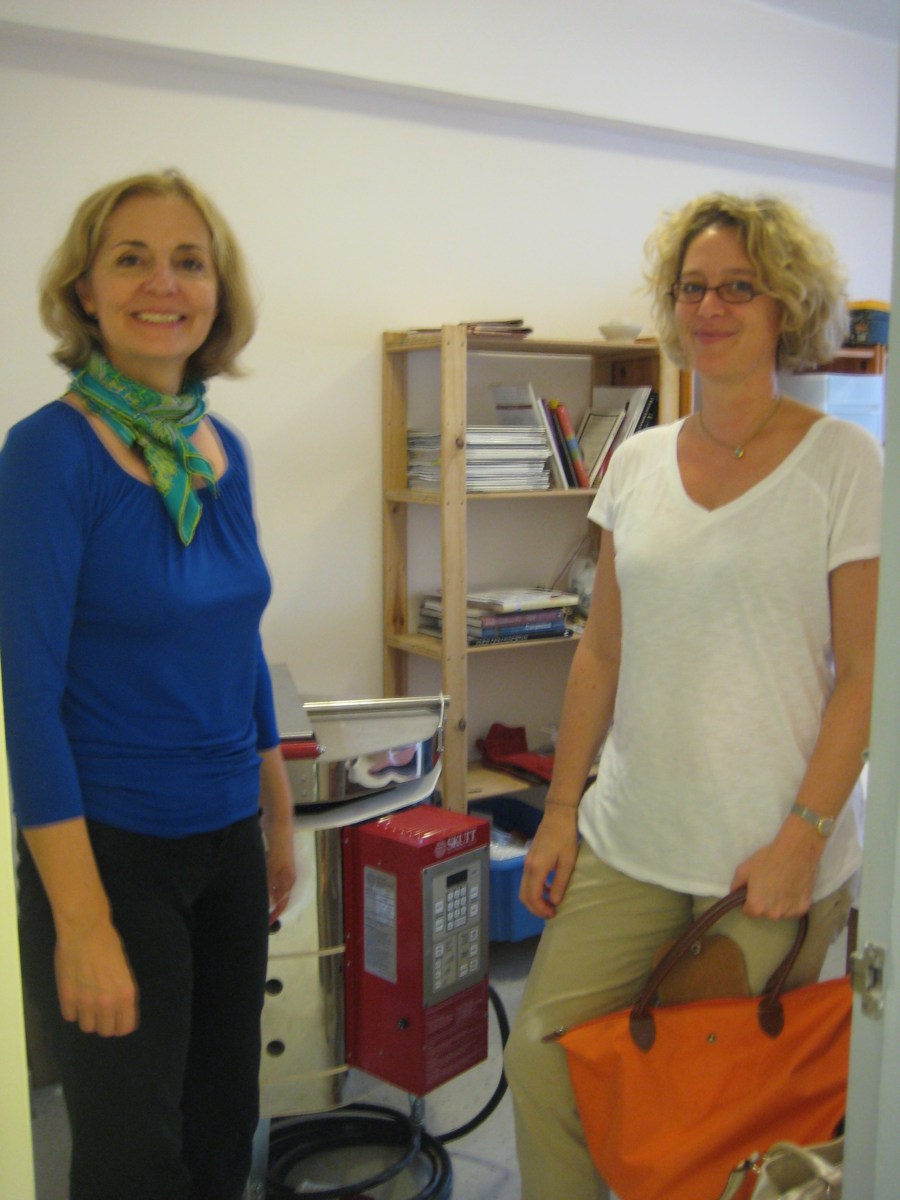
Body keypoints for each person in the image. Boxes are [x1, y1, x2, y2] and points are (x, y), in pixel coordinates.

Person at [504, 193, 882, 1200]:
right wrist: (556, 816)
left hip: (765, 862)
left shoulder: (846, 463)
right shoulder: (633, 462)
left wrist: (804, 837)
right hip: (630, 837)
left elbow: (865, 675)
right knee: (542, 1058)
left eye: (739, 288)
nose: (711, 307)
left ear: (784, 307)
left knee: (715, 1122)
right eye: (694, 288)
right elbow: (600, 654)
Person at [0, 170, 297, 1200]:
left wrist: (278, 812)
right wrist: (80, 923)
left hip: (225, 848)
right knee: (133, 1161)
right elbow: (28, 702)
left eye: (188, 260)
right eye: (131, 258)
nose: (161, 282)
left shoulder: (224, 451)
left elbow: (239, 637)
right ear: (85, 289)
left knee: (225, 1136)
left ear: (218, 291)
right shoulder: (47, 455)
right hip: (111, 854)